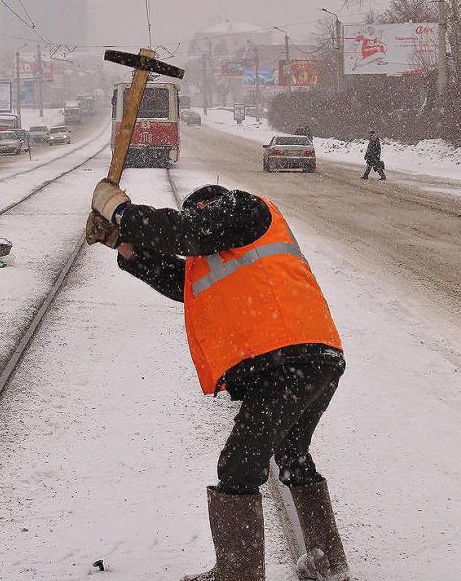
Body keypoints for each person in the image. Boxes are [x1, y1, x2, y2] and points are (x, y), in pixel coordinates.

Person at [89, 181, 350, 581]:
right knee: (292, 454)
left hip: (289, 358)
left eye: (199, 215)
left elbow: (185, 231)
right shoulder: (218, 246)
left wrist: (123, 212)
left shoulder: (244, 209)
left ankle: (239, 574)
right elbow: (182, 285)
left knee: (238, 465)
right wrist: (127, 248)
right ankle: (328, 564)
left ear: (207, 206)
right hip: (311, 357)